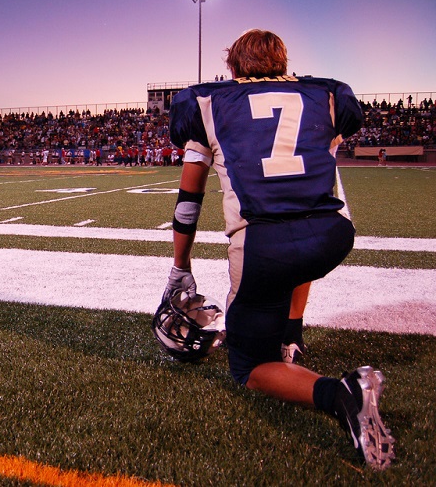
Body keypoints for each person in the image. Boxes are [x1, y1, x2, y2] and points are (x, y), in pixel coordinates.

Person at [164, 29, 394, 469]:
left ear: (231, 67)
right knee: (301, 221)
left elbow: (188, 204)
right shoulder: (324, 96)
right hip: (333, 235)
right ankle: (292, 331)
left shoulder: (208, 104)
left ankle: (340, 394)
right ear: (284, 63)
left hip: (264, 244)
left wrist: (180, 267)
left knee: (249, 367)